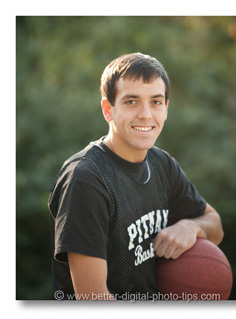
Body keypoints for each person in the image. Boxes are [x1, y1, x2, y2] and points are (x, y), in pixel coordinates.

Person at [48, 52, 224, 301]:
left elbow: (215, 225)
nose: (146, 114)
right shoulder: (86, 178)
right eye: (131, 101)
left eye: (156, 101)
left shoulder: (162, 164)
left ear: (165, 109)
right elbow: (93, 299)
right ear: (108, 109)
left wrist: (191, 226)